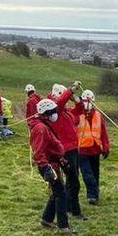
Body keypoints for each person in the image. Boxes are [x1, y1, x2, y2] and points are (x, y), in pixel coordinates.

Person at [29, 99, 75, 235]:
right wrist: (46, 167)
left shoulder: (44, 125)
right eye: (54, 111)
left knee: (56, 193)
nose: (56, 114)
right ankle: (63, 226)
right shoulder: (41, 128)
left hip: (54, 163)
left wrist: (61, 159)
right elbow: (39, 151)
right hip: (49, 166)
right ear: (47, 112)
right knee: (61, 193)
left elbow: (50, 147)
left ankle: (46, 219)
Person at [48, 82, 86, 221]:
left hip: (73, 149)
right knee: (73, 181)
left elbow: (79, 111)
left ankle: (69, 206)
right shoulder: (53, 110)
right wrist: (70, 91)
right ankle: (75, 210)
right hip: (65, 150)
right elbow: (59, 103)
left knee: (71, 180)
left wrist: (77, 100)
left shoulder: (65, 112)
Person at [74, 90, 109, 205]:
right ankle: (93, 194)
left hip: (95, 149)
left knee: (95, 173)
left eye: (89, 101)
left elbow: (103, 132)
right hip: (82, 150)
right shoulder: (78, 114)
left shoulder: (98, 115)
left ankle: (93, 195)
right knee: (87, 174)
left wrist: (106, 147)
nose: (87, 103)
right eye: (85, 101)